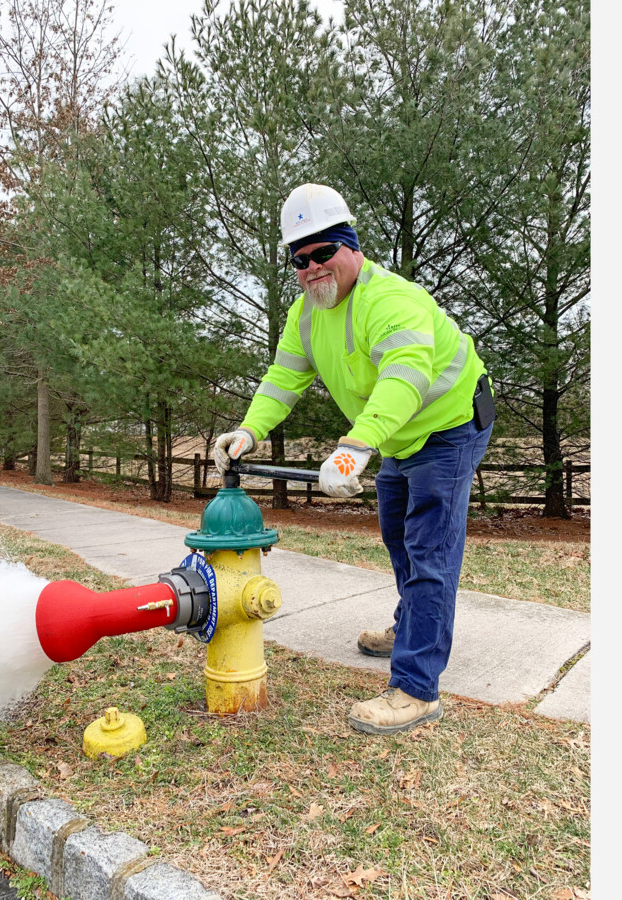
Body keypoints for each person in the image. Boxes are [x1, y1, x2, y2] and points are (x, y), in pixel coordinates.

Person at [213, 183, 495, 735]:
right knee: (397, 536)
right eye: (301, 258)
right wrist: (249, 430)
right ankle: (412, 625)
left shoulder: (390, 299)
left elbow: (406, 375)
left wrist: (354, 447)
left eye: (324, 252)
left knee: (429, 548)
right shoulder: (306, 315)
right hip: (393, 438)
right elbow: (283, 380)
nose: (313, 266)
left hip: (450, 427)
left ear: (352, 247)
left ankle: (417, 688)